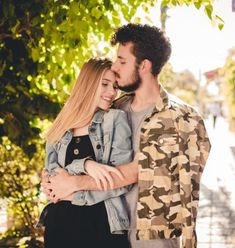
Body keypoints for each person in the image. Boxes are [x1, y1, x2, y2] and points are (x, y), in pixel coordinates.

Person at [42, 24, 211, 248]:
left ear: (144, 66)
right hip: (111, 229)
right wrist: (53, 179)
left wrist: (73, 183)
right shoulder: (113, 111)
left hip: (153, 241)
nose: (115, 66)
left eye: (122, 61)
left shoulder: (183, 118)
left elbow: (142, 170)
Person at [39, 58, 133, 248]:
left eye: (115, 86)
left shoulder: (115, 120)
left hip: (102, 226)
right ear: (88, 84)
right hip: (60, 226)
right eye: (104, 84)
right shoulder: (61, 125)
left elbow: (121, 181)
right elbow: (53, 178)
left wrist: (72, 193)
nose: (112, 92)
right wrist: (85, 165)